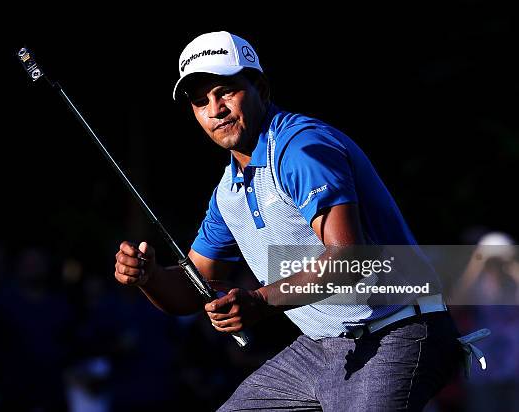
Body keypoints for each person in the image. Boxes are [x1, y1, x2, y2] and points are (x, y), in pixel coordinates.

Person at [115, 31, 464, 410]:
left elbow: (350, 258)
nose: (215, 109)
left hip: (399, 329)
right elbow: (191, 288)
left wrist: (259, 302)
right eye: (201, 102)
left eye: (226, 92)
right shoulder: (227, 193)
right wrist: (148, 277)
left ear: (260, 88)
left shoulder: (300, 148)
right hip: (319, 348)